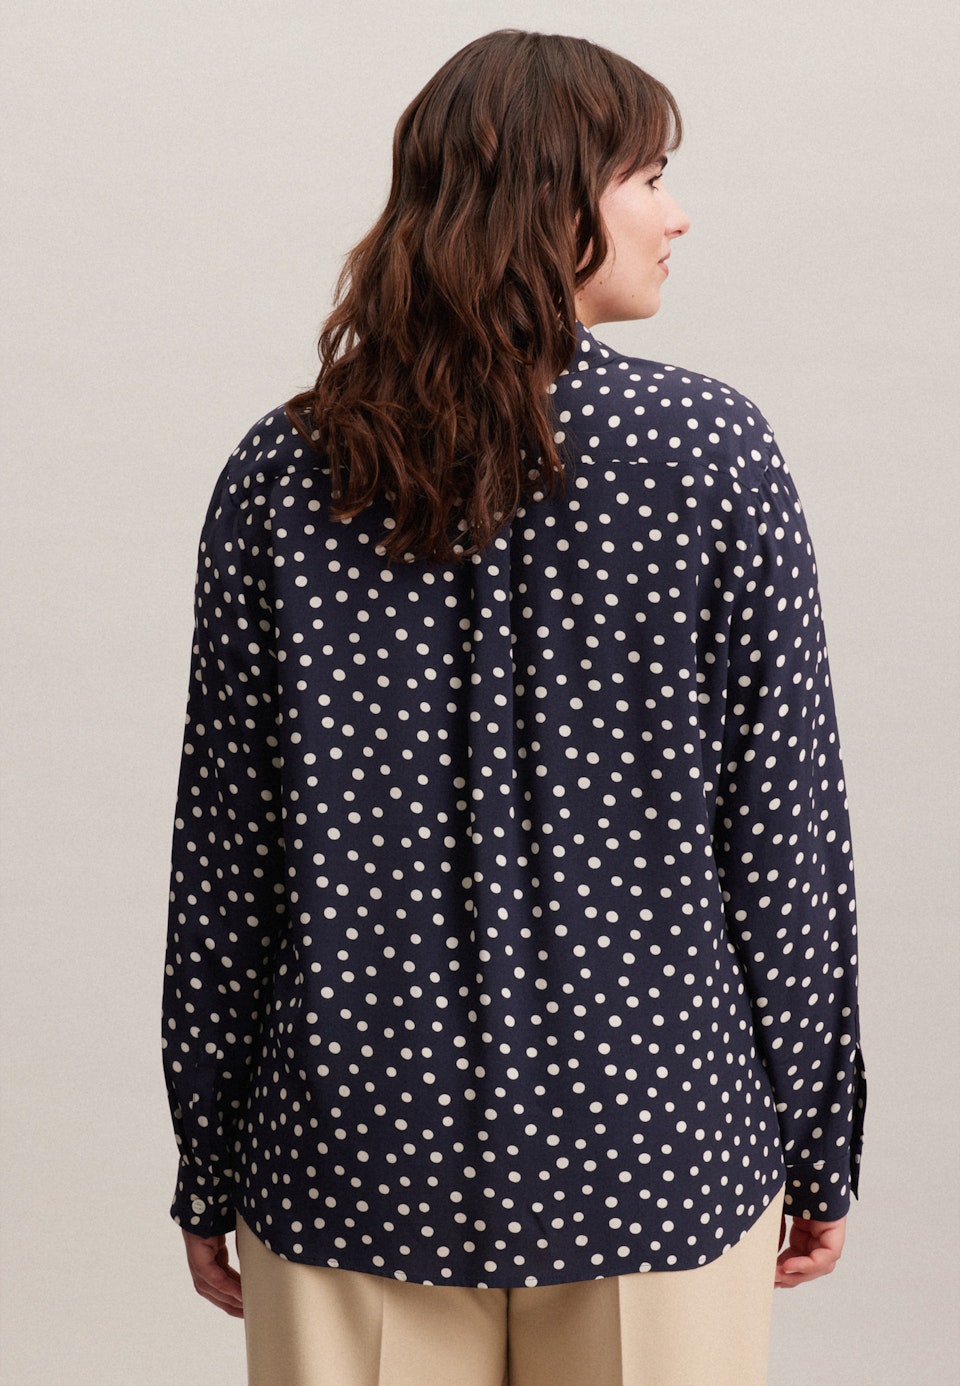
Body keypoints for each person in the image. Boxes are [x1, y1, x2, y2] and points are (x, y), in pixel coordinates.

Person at [162, 28, 866, 1386]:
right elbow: (784, 839)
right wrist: (818, 1136)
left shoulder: (282, 471)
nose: (676, 212)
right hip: (653, 1144)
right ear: (548, 199)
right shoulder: (712, 452)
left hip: (354, 1144)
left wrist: (209, 1158)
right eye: (646, 175)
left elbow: (226, 865)